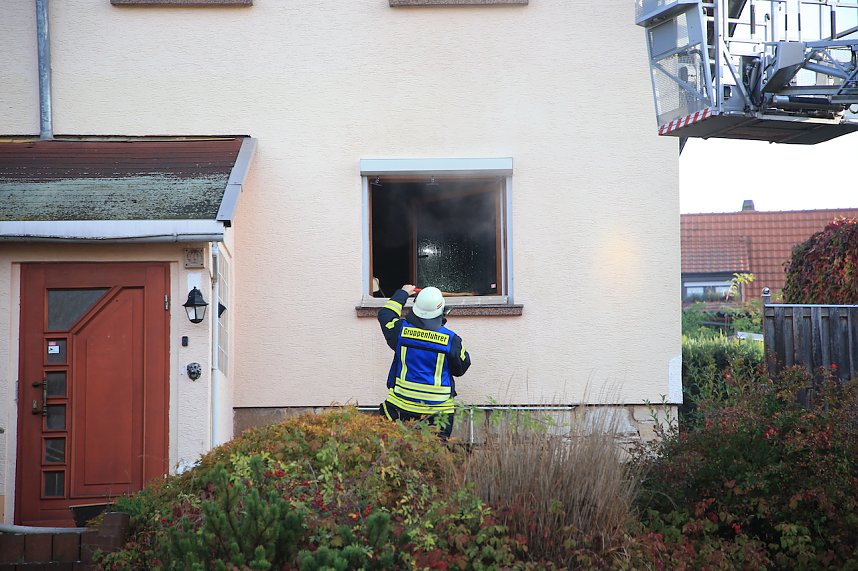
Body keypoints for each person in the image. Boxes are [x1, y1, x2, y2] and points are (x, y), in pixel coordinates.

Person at [377, 284, 471, 440]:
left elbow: (386, 314)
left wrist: (403, 293)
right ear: (442, 311)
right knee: (434, 456)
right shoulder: (452, 340)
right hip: (438, 414)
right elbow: (461, 368)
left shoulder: (400, 331)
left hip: (401, 409)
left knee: (401, 455)